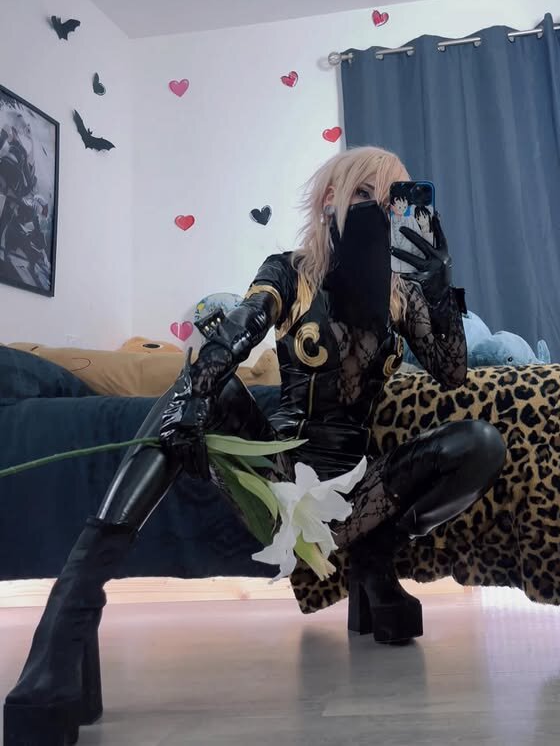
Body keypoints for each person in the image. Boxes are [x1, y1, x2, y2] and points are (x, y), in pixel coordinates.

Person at [3, 146, 506, 745]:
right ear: (331, 200)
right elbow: (240, 329)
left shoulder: (404, 295)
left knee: (480, 443)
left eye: (391, 199)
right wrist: (196, 397)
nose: (377, 208)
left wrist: (438, 282)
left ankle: (375, 561)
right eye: (363, 194)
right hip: (278, 478)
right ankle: (73, 607)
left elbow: (452, 371)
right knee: (195, 389)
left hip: (357, 492)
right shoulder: (290, 271)